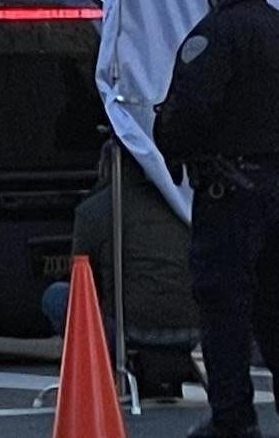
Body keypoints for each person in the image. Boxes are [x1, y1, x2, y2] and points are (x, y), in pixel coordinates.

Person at [153, 0, 279, 438]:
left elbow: (188, 113)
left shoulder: (216, 35)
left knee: (223, 303)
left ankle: (233, 417)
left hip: (229, 189)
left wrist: (175, 139)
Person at [39, 139, 198, 400]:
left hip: (130, 329)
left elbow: (83, 279)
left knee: (57, 296)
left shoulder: (96, 209)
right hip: (193, 326)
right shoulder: (181, 202)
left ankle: (99, 375)